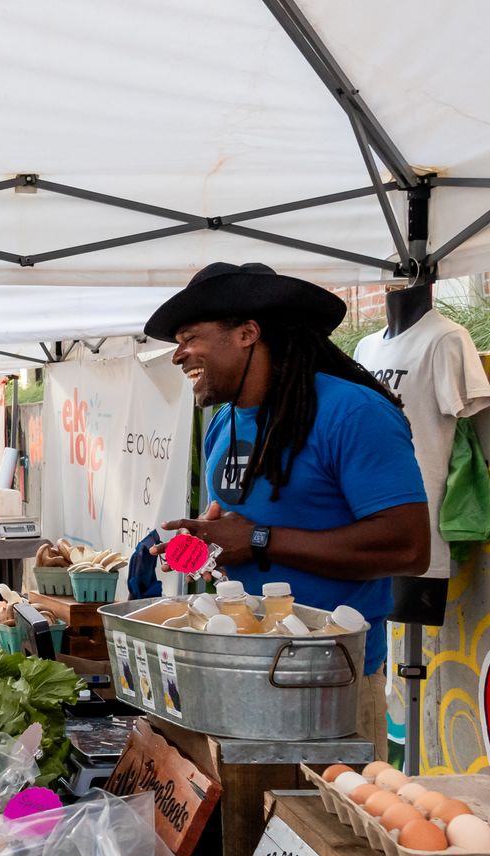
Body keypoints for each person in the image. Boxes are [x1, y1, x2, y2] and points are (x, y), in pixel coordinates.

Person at [147, 262, 428, 755]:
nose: (178, 355)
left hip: (330, 685)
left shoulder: (352, 412)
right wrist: (200, 547)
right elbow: (236, 529)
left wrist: (258, 540)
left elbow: (409, 547)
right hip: (235, 675)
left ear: (247, 334)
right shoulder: (225, 422)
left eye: (190, 337)